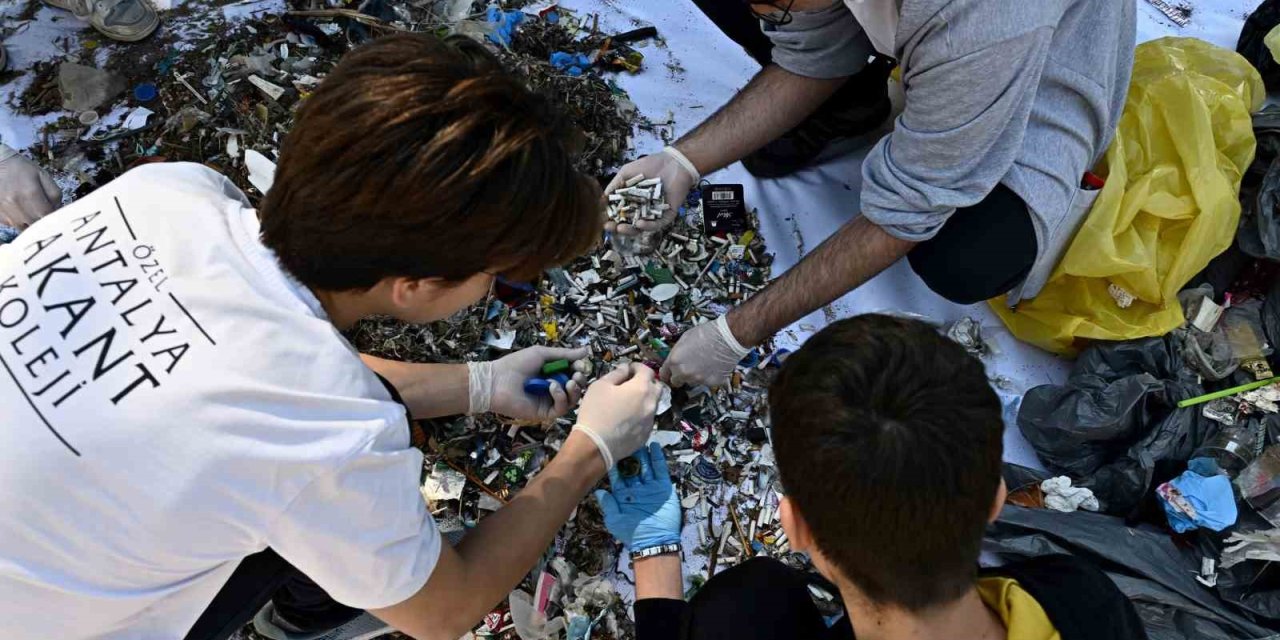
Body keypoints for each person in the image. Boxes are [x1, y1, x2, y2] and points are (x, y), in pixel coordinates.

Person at [0, 34, 663, 640]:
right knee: (335, 534)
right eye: (490, 274)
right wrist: (589, 450)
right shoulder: (330, 437)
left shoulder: (166, 193)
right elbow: (444, 610)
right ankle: (299, 624)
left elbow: (242, 382)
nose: (489, 289)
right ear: (415, 284)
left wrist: (481, 384)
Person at [608, 0, 1137, 388]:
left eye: (779, 6)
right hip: (938, 41)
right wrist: (682, 161)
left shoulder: (977, 19)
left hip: (1037, 79)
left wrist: (735, 332)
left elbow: (907, 207)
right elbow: (810, 51)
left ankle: (1028, 173)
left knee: (966, 257)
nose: (771, 17)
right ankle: (855, 104)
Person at [596, 314, 1147, 640]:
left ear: (796, 526)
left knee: (742, 607)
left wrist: (654, 549)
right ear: (996, 497)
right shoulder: (1082, 601)